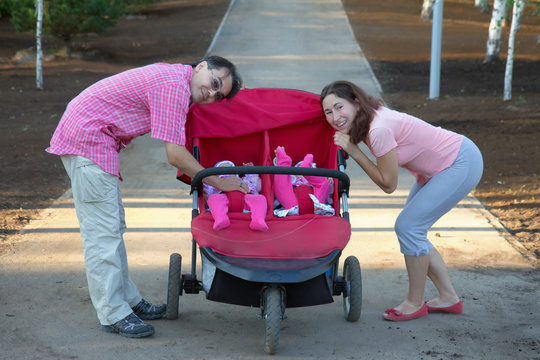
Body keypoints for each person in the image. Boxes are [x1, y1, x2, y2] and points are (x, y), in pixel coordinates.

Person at [46, 56, 247, 338]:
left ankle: (128, 301)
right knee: (102, 234)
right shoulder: (174, 86)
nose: (211, 93)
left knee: (112, 228)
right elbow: (175, 155)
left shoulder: (178, 82)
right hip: (88, 138)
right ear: (201, 66)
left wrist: (236, 87)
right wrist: (221, 182)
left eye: (218, 94)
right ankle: (113, 314)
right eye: (214, 83)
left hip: (97, 138)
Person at [320, 81, 483, 321]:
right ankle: (448, 297)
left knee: (409, 227)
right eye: (328, 112)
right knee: (412, 230)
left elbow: (388, 184)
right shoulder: (367, 118)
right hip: (439, 167)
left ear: (356, 102)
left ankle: (415, 303)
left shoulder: (378, 129)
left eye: (338, 107)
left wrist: (355, 152)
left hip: (459, 162)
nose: (335, 117)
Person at [203, 160, 268, 231]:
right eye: (221, 171)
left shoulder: (243, 180)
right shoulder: (214, 186)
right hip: (223, 203)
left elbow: (258, 187)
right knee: (213, 198)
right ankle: (220, 219)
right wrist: (207, 189)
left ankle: (258, 220)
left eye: (229, 170)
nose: (226, 172)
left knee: (260, 198)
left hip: (245, 203)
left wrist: (251, 173)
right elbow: (207, 196)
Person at [273, 146, 334, 217]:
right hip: (293, 206)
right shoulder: (292, 179)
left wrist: (329, 181)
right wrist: (278, 160)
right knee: (281, 184)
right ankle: (283, 162)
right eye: (299, 168)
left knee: (324, 183)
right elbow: (281, 179)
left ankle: (306, 168)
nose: (301, 174)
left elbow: (329, 194)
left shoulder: (314, 182)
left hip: (316, 204)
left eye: (311, 168)